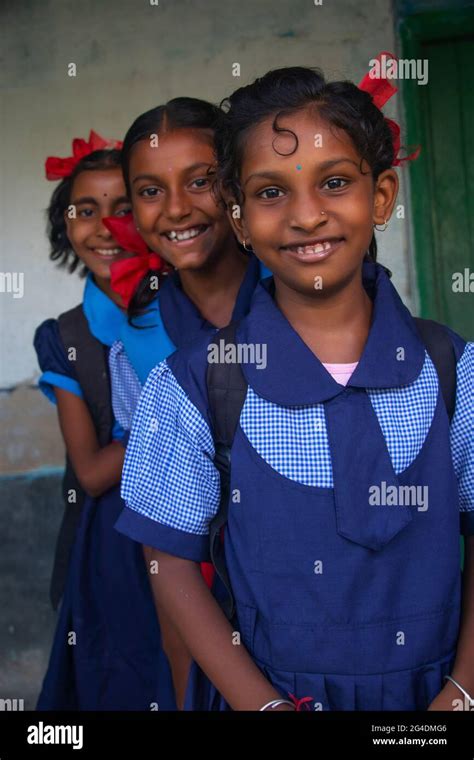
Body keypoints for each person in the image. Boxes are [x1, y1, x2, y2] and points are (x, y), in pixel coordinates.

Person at [116, 63, 474, 711]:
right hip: (276, 693)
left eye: (335, 182)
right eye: (272, 192)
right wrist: (262, 705)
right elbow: (165, 560)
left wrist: (461, 694)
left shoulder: (452, 369)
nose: (308, 216)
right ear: (241, 220)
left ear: (383, 196)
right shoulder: (197, 384)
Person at [34, 131, 175, 710]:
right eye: (84, 211)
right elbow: (92, 473)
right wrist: (171, 415)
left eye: (123, 208)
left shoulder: (190, 305)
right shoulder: (65, 336)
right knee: (126, 678)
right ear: (65, 227)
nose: (105, 227)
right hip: (112, 544)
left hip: (212, 527)